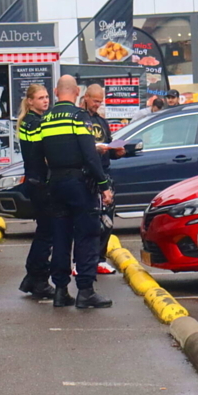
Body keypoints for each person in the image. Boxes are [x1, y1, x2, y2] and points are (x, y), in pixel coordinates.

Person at [34, 75, 114, 309]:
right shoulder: (79, 117)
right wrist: (103, 185)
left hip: (55, 183)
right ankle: (86, 291)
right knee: (87, 236)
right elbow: (89, 154)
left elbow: (38, 155)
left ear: (56, 91)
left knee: (60, 237)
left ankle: (60, 291)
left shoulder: (45, 119)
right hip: (79, 184)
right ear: (77, 92)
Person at [16, 84, 54, 299]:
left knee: (44, 232)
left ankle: (33, 277)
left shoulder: (28, 122)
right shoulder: (34, 124)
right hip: (41, 183)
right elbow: (46, 153)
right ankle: (37, 278)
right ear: (30, 101)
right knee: (47, 233)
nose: (45, 101)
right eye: (40, 98)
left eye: (47, 97)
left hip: (34, 181)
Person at [79, 84, 119, 276]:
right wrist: (94, 150)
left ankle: (100, 260)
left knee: (107, 221)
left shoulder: (102, 122)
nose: (97, 105)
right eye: (95, 101)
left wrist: (118, 151)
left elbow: (110, 147)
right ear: (85, 97)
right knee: (88, 222)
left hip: (105, 173)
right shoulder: (79, 119)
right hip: (86, 177)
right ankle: (81, 261)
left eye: (100, 102)